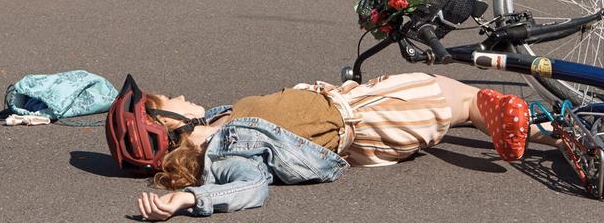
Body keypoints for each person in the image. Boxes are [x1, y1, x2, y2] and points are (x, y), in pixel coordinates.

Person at [107, 73, 536, 219]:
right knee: (465, 101)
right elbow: (250, 187)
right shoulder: (225, 147)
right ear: (171, 124)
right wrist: (187, 199)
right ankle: (522, 125)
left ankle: (559, 131)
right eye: (171, 101)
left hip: (361, 103)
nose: (181, 97)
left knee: (463, 95)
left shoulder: (222, 120)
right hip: (370, 116)